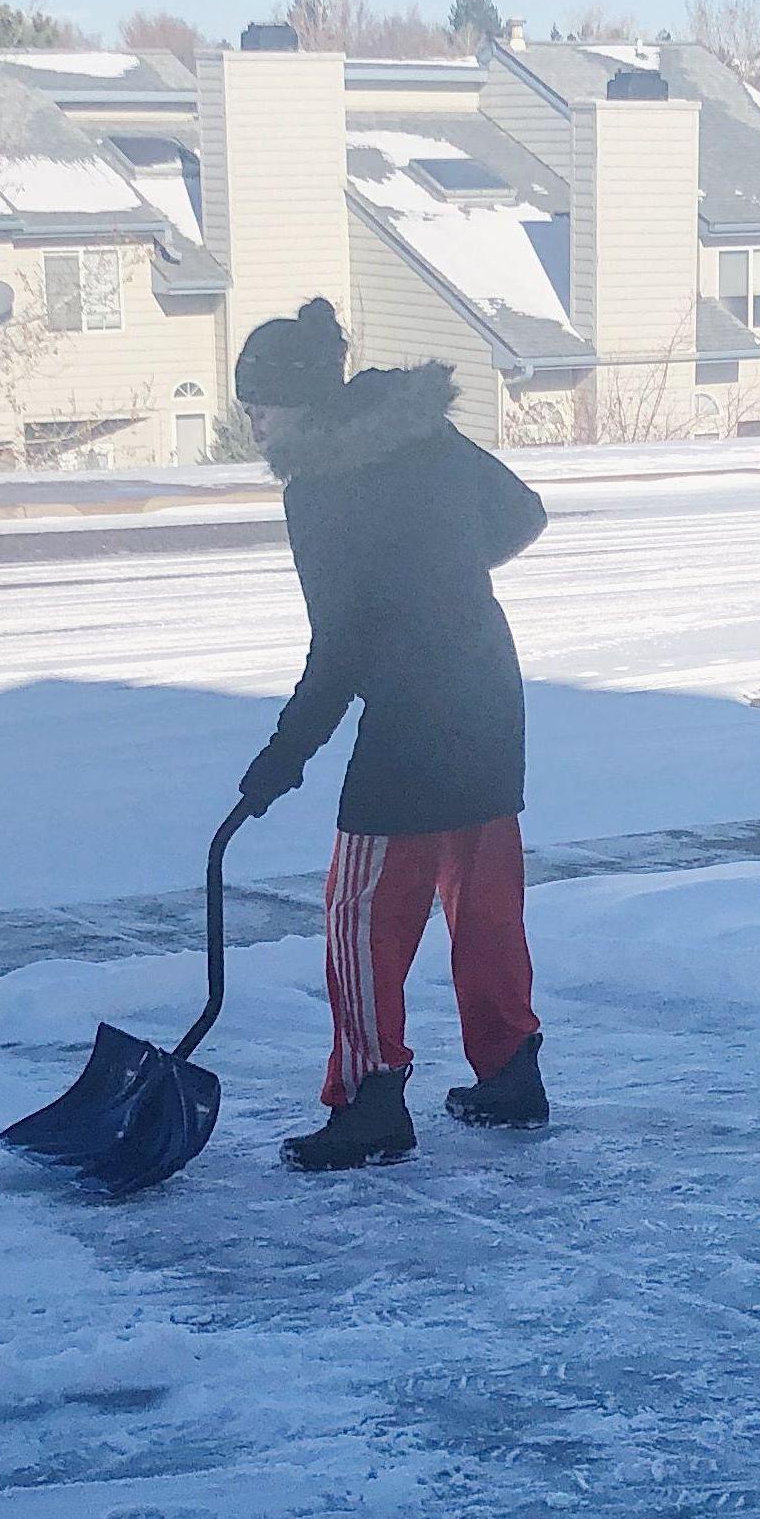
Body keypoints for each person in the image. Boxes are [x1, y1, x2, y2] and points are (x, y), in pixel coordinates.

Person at [232, 299, 551, 1169]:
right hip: (488, 692)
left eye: (258, 402)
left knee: (360, 914)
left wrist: (280, 760)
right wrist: (443, 579)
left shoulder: (320, 491)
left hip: (412, 723)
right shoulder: (421, 434)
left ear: (300, 400)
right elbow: (522, 514)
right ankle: (512, 1075)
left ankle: (371, 1099)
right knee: (484, 901)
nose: (251, 420)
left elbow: (339, 647)